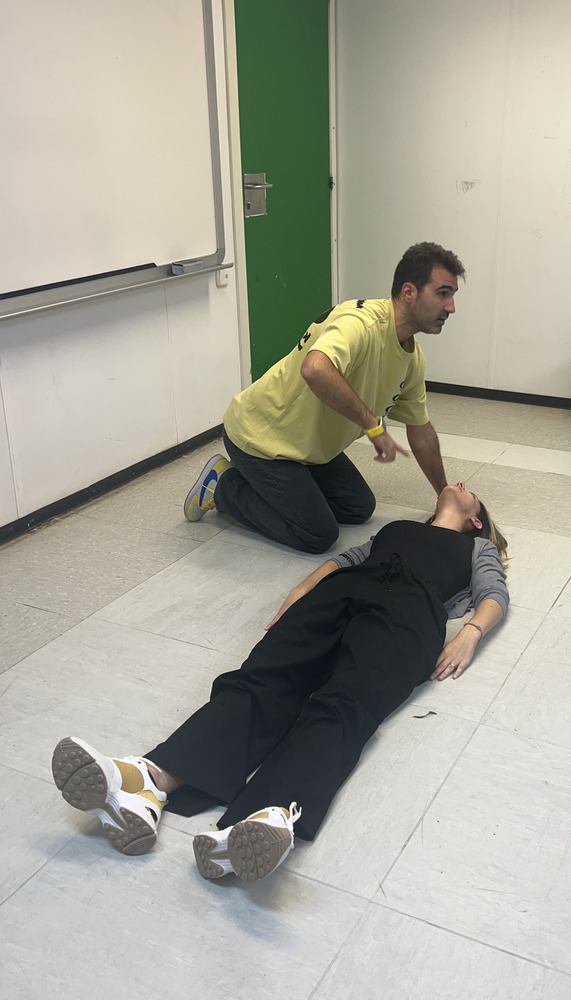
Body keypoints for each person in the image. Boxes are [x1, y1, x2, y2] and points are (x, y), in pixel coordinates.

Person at [52, 483, 509, 885]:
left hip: (410, 612)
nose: (460, 482)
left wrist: (469, 634)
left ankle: (256, 824)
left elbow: (494, 594)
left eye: (470, 491)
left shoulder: (476, 548)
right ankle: (148, 782)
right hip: (343, 590)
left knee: (344, 703)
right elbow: (344, 560)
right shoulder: (397, 528)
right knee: (261, 678)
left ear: (475, 519)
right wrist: (301, 591)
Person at [183, 242, 465, 553]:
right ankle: (223, 486)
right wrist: (373, 427)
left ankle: (285, 488)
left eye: (452, 295)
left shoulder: (412, 357)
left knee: (358, 508)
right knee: (317, 534)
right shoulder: (361, 324)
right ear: (409, 292)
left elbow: (420, 430)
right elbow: (315, 369)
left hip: (306, 445)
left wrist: (444, 494)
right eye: (442, 293)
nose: (451, 307)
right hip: (261, 438)